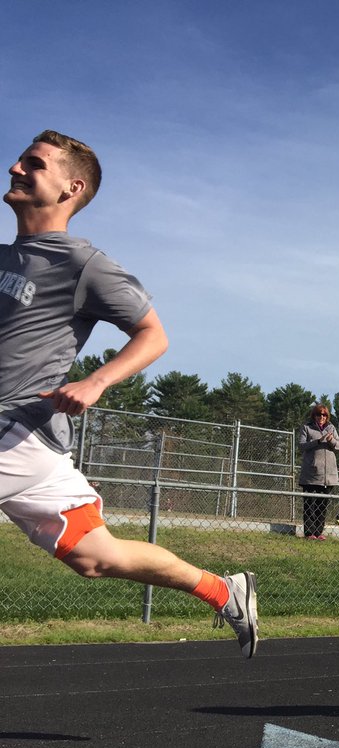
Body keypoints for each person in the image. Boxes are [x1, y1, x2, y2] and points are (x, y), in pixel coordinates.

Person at [0, 130, 257, 657]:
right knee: (97, 557)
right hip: (34, 452)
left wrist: (96, 381)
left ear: (71, 188)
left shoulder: (82, 264)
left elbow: (154, 334)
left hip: (17, 429)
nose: (14, 169)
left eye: (33, 164)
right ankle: (224, 590)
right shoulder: (6, 258)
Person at [298, 404, 339, 540]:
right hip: (311, 475)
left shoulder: (331, 428)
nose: (321, 417)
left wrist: (330, 440)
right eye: (318, 414)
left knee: (322, 505)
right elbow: (302, 445)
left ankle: (318, 532)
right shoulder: (307, 427)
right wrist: (318, 441)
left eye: (324, 415)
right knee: (309, 504)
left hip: (328, 476)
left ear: (327, 416)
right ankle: (309, 533)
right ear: (314, 415)